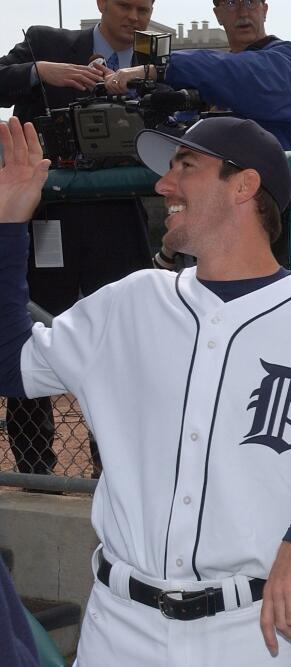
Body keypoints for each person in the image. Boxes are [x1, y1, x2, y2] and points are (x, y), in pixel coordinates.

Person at [0, 116, 291, 665]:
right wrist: (9, 222)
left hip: (254, 632)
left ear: (245, 185)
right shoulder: (130, 302)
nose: (164, 185)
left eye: (185, 166)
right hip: (120, 626)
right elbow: (11, 368)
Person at [0, 0, 156, 477]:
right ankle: (34, 473)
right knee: (33, 339)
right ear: (102, 4)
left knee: (122, 345)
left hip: (118, 223)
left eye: (145, 8)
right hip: (48, 221)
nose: (136, 17)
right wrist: (39, 72)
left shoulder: (158, 60)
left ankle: (113, 472)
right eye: (126, 6)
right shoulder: (46, 43)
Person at [105, 0, 291, 276]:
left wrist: (160, 68)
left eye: (250, 2)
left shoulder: (290, 60)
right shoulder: (201, 77)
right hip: (209, 230)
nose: (242, 12)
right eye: (230, 3)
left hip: (280, 226)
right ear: (217, 14)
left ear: (265, 9)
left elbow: (241, 75)